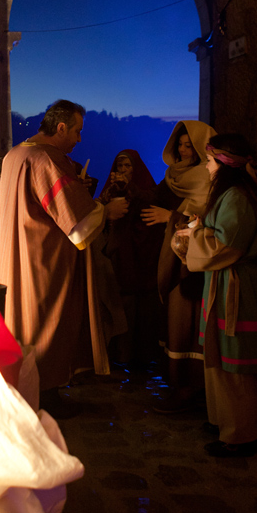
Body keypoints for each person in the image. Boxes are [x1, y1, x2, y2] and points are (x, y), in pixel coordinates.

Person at [0, 100, 128, 411]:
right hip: (42, 261)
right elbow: (77, 223)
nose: (79, 139)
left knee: (22, 323)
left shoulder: (16, 154)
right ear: (61, 127)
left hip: (16, 254)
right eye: (77, 131)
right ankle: (45, 396)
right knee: (45, 324)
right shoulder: (46, 158)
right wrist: (106, 211)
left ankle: (25, 390)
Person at [176, 133, 257, 457]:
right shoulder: (232, 193)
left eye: (210, 161)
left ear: (224, 164)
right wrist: (201, 227)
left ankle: (243, 433)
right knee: (220, 354)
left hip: (237, 285)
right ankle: (225, 420)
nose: (206, 166)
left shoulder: (237, 197)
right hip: (224, 282)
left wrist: (195, 233)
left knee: (237, 359)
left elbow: (223, 247)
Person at [140, 121, 216, 411]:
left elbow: (209, 221)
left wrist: (170, 217)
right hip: (172, 257)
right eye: (180, 145)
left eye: (189, 146)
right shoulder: (173, 176)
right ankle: (178, 384)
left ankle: (193, 387)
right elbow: (154, 198)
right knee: (175, 320)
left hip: (196, 263)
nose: (184, 151)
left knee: (191, 322)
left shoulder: (208, 177)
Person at [98, 150, 161, 365]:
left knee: (143, 308)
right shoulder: (112, 188)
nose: (123, 170)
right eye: (120, 166)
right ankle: (118, 356)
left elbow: (152, 203)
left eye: (127, 166)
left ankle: (143, 358)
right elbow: (100, 211)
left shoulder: (146, 188)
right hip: (119, 257)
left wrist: (131, 187)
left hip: (143, 259)